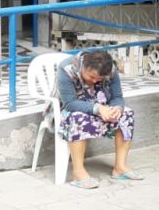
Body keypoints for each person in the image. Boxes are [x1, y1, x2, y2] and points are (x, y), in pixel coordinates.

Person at [57, 50, 141, 189]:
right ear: (84, 67)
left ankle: (120, 167)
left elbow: (117, 97)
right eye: (92, 77)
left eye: (100, 79)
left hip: (101, 107)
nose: (95, 81)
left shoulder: (110, 69)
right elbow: (70, 103)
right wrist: (98, 109)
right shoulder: (66, 68)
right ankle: (78, 172)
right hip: (69, 109)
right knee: (78, 118)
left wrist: (117, 108)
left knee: (126, 114)